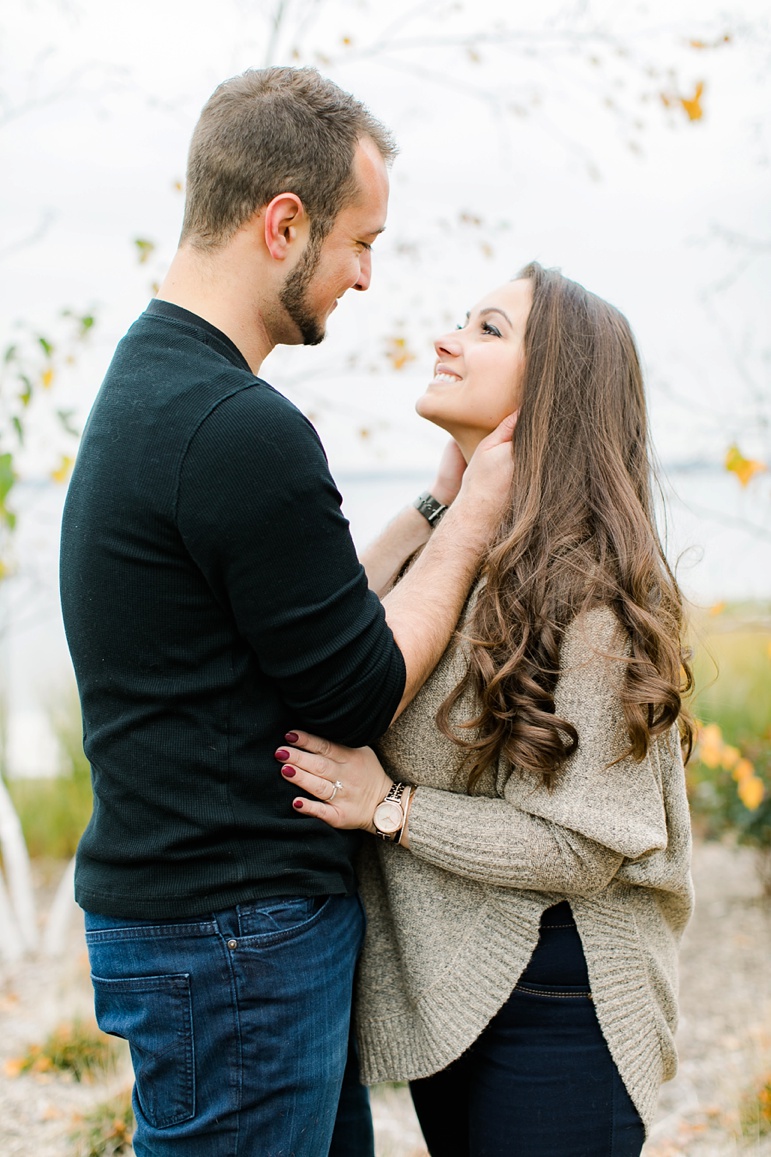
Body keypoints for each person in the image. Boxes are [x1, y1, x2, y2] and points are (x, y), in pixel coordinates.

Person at [58, 67, 516, 1157]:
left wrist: (432, 503)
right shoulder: (236, 424)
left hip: (209, 924)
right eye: (362, 241)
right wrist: (478, 517)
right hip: (235, 936)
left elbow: (304, 622)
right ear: (284, 223)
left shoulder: (155, 382)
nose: (366, 276)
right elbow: (355, 683)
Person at [278, 262, 695, 1156]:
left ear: (553, 390)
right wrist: (442, 502)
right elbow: (335, 648)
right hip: (458, 986)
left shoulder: (590, 600)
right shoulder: (465, 553)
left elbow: (585, 846)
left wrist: (387, 806)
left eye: (489, 329)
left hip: (562, 998)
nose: (446, 339)